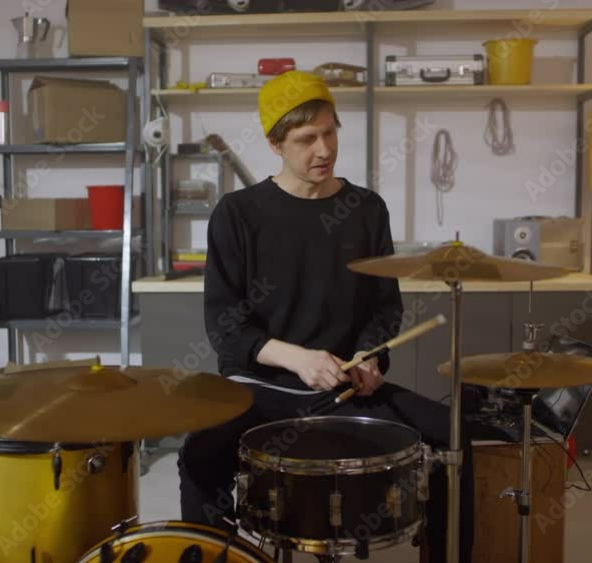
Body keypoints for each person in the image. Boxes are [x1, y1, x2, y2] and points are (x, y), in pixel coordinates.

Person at [177, 70, 474, 562]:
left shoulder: (366, 209)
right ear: (275, 144)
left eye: (330, 133)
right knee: (198, 456)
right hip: (259, 389)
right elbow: (226, 326)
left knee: (453, 434)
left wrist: (371, 358)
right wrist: (298, 359)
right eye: (306, 139)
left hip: (342, 391)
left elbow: (384, 307)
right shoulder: (237, 213)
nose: (323, 150)